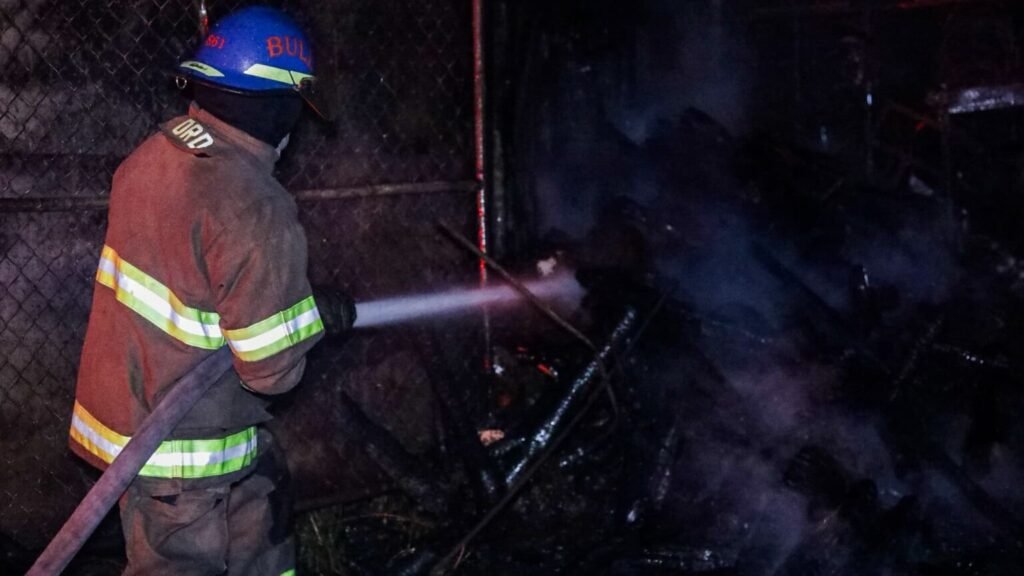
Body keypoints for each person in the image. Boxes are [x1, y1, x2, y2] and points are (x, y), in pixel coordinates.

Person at [68, 7, 352, 575]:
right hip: (180, 456)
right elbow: (271, 369)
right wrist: (313, 319)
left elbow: (195, 289)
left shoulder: (152, 157)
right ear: (279, 106)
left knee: (262, 526)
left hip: (136, 420)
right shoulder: (253, 205)